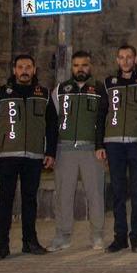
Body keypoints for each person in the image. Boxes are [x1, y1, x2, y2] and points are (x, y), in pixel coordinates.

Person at [0, 54, 57, 260]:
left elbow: (52, 126)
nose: (24, 70)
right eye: (20, 67)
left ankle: (29, 242)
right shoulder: (1, 94)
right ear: (14, 70)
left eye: (28, 67)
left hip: (33, 157)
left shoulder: (44, 95)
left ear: (34, 70)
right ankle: (1, 246)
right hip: (7, 157)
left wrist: (50, 153)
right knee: (5, 201)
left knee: (30, 201)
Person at [48, 51, 109, 252]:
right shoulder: (61, 90)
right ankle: (62, 236)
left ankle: (97, 235)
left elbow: (104, 121)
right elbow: (51, 120)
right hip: (65, 150)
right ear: (71, 67)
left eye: (84, 65)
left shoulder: (100, 89)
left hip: (91, 149)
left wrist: (102, 146)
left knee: (95, 194)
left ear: (90, 67)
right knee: (64, 195)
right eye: (76, 65)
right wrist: (51, 150)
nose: (80, 68)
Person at [103, 44, 137, 253]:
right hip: (114, 144)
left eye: (129, 57)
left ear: (136, 58)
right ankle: (120, 237)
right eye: (121, 57)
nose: (125, 61)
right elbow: (102, 114)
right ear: (117, 60)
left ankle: (136, 237)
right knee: (118, 192)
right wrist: (101, 145)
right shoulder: (108, 83)